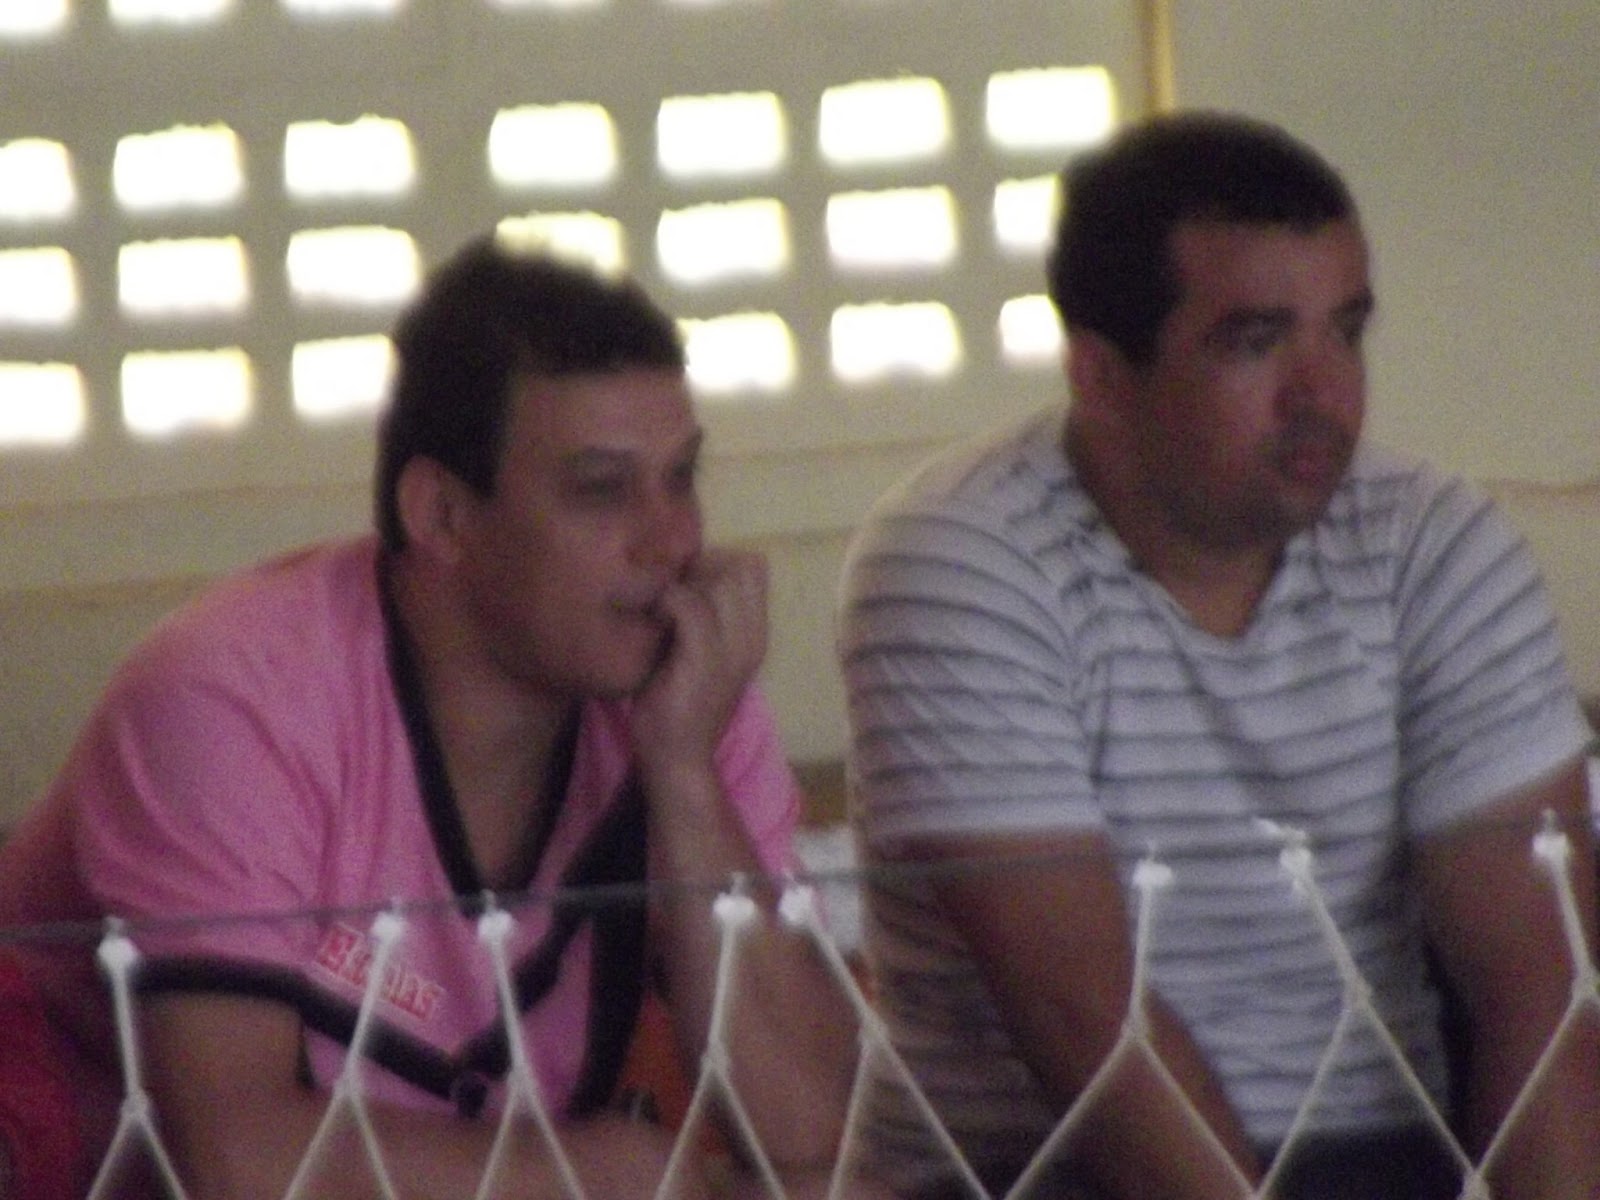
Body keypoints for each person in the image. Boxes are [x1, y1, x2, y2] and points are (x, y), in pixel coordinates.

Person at [836, 111, 1600, 1200]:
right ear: (1100, 374)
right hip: (1035, 1167)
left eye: (1345, 332)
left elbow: (1541, 991)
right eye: (1255, 341)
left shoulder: (1433, 542)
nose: (1323, 392)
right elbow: (1080, 1023)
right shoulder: (964, 557)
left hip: (1378, 1150)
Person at [0, 236, 861, 1199]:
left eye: (683, 477)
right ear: (442, 515)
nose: (674, 542)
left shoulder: (681, 693)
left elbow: (812, 1140)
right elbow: (237, 1165)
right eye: (602, 489)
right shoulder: (233, 699)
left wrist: (686, 775)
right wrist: (606, 1174)